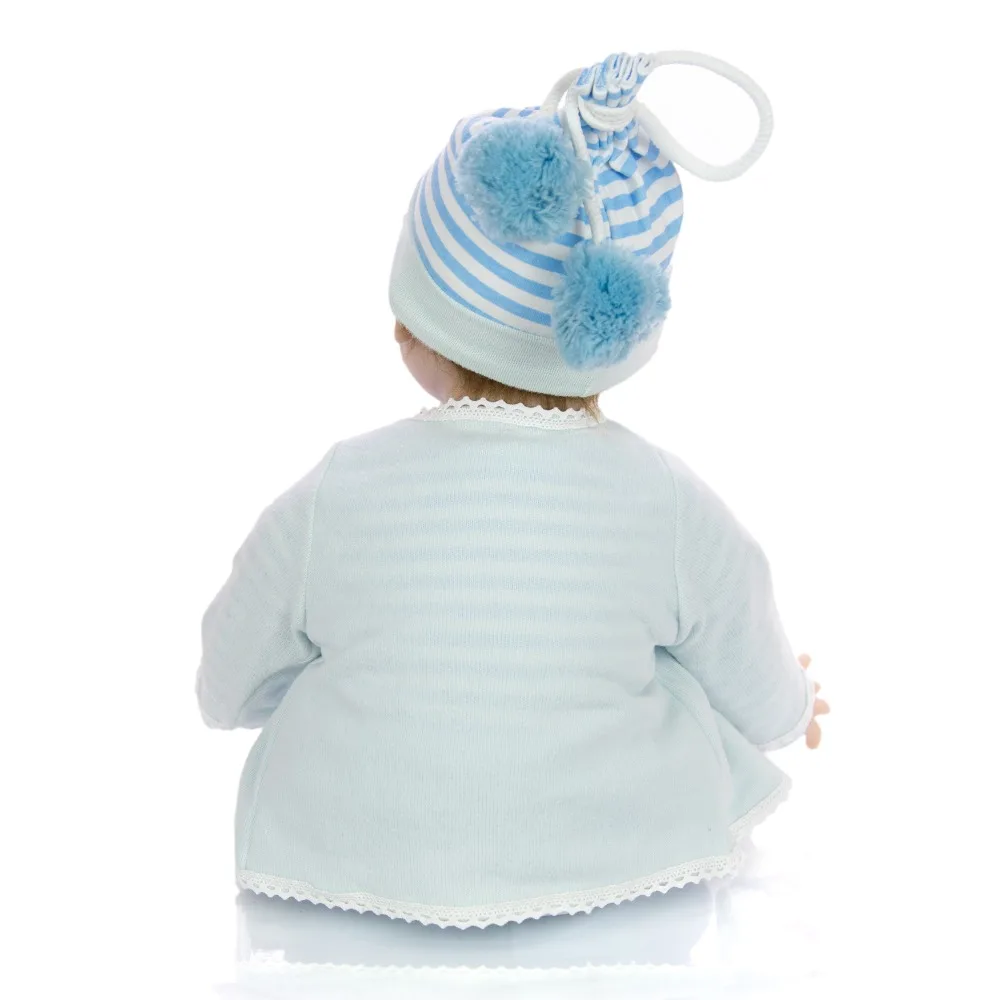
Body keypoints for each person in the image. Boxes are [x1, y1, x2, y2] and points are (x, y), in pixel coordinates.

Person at [196, 50, 830, 930]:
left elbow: (227, 679)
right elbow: (742, 639)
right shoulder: (661, 499)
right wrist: (789, 704)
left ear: (418, 334)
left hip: (344, 862)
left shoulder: (339, 488)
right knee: (675, 677)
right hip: (618, 871)